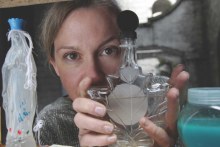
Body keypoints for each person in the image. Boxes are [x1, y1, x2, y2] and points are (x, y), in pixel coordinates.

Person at [35, 0, 189, 147]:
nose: (93, 74)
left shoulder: (162, 113)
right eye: (72, 56)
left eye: (108, 51)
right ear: (55, 65)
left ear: (127, 52)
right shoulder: (52, 123)